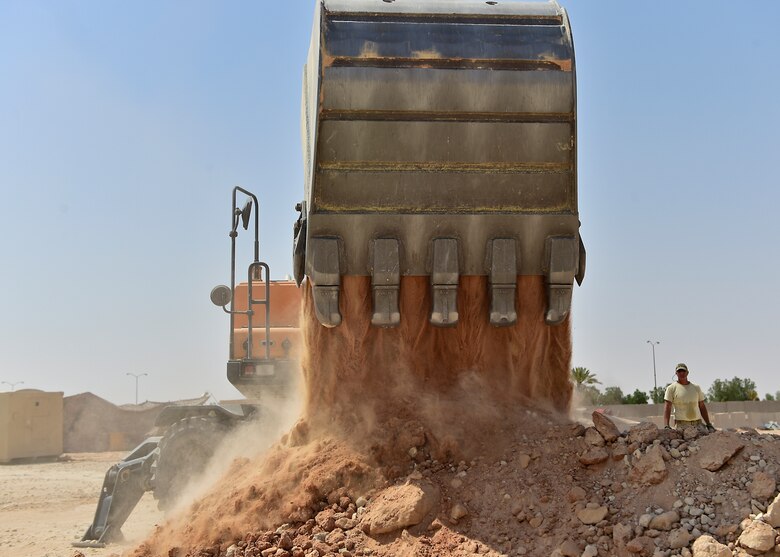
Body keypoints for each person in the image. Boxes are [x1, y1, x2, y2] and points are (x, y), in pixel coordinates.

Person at [663, 363, 715, 432]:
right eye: (679, 371)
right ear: (676, 373)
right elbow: (667, 407)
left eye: (683, 371)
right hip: (681, 426)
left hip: (697, 425)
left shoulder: (696, 388)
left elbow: (702, 406)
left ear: (687, 373)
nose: (682, 373)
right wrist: (666, 425)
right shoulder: (671, 388)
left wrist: (708, 424)